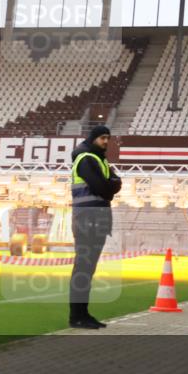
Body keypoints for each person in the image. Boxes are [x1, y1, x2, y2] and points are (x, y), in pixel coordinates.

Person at [69, 125, 122, 329]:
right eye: (102, 138)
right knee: (83, 269)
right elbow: (104, 188)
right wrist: (110, 186)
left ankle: (83, 314)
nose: (106, 141)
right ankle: (77, 316)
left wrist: (110, 185)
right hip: (87, 219)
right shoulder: (86, 159)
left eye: (108, 138)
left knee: (87, 270)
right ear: (93, 139)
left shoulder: (99, 159)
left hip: (96, 219)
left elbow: (115, 182)